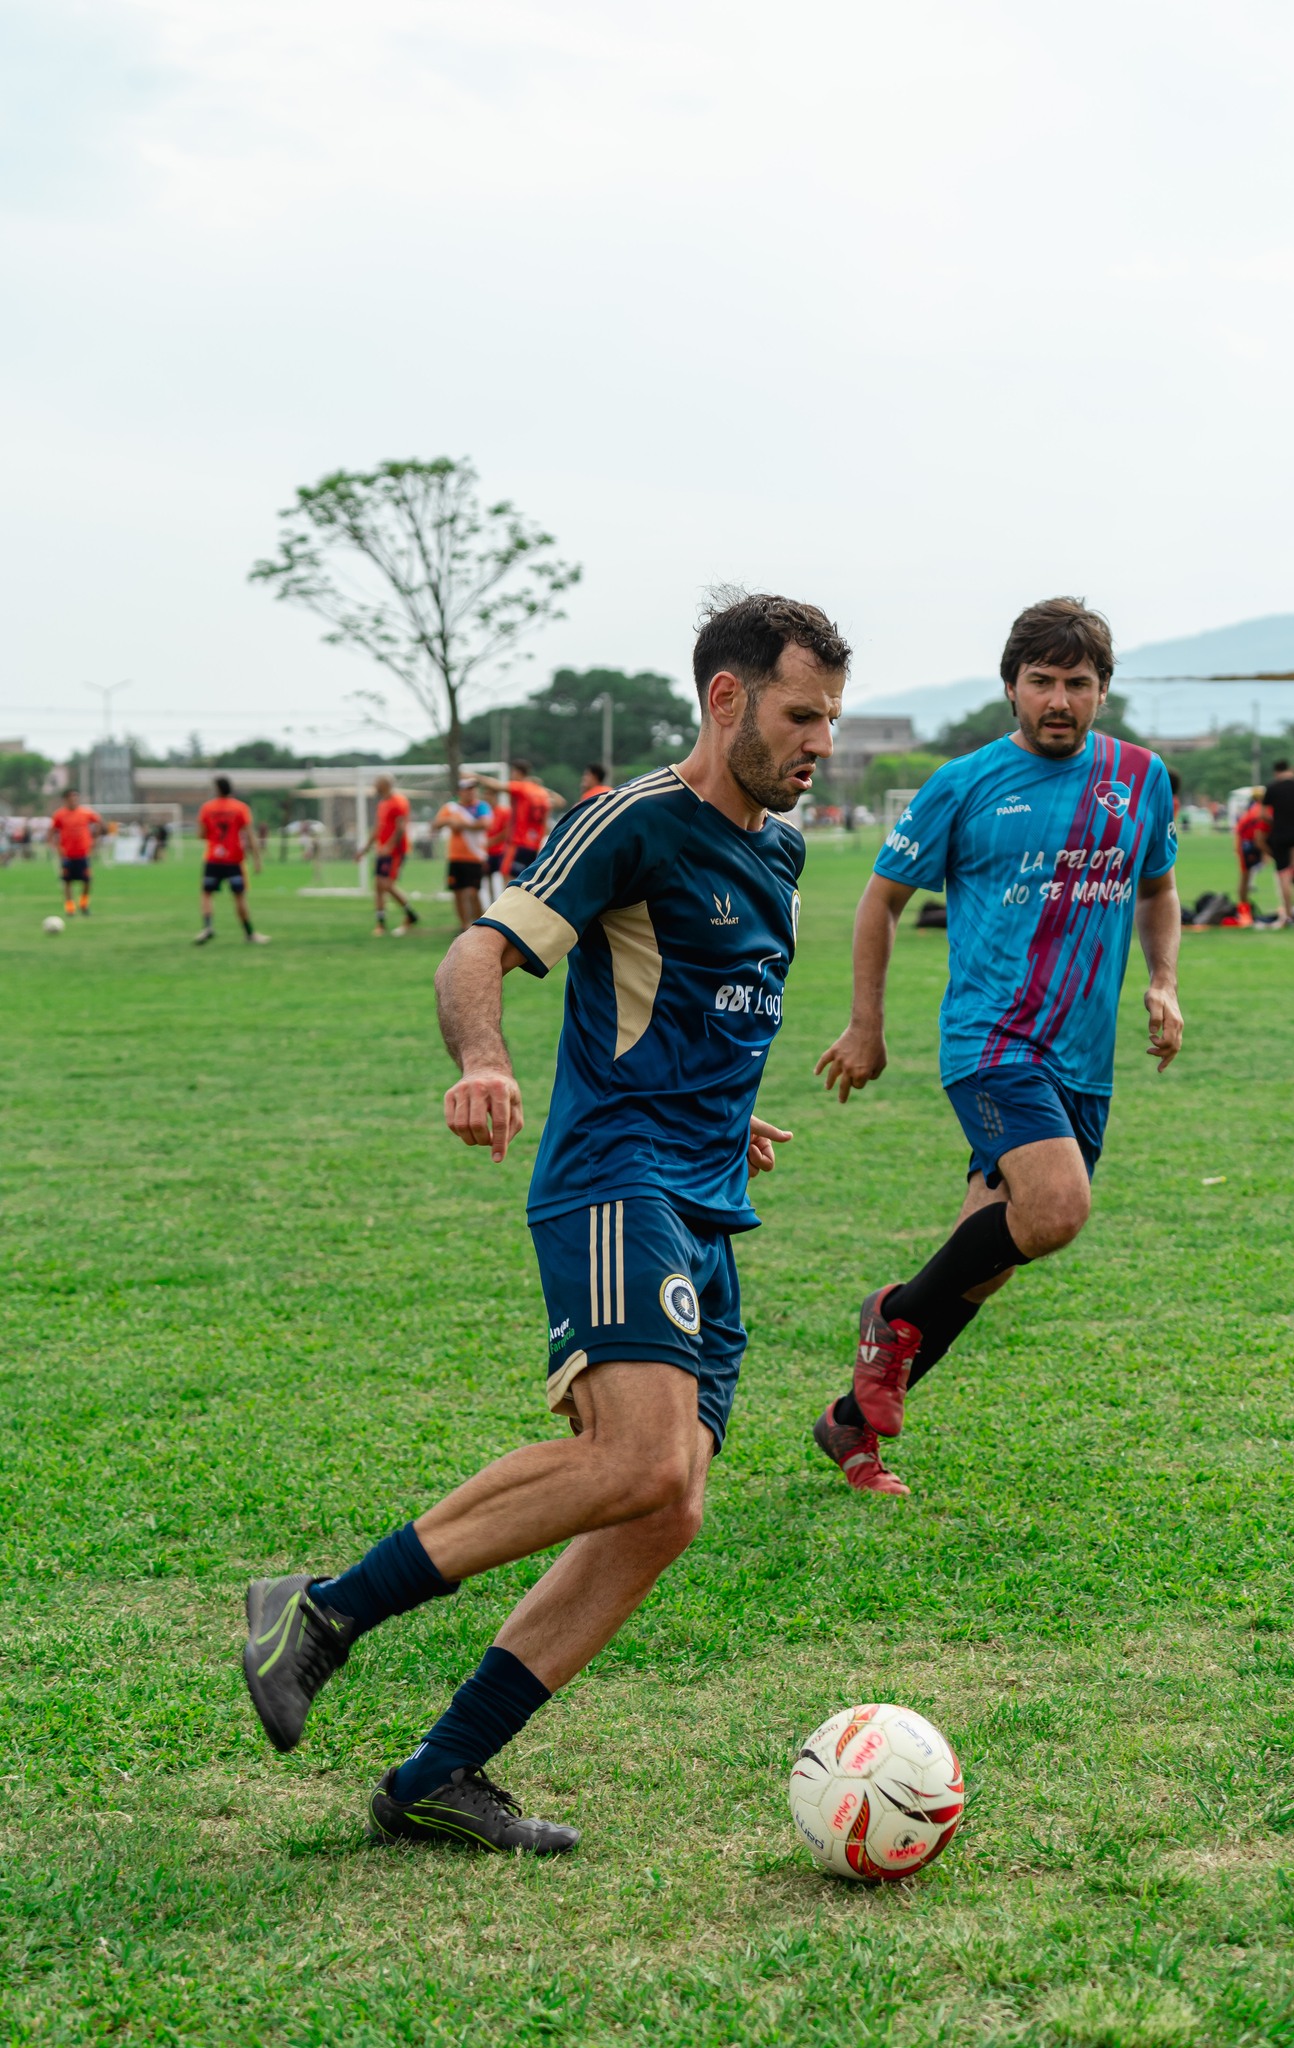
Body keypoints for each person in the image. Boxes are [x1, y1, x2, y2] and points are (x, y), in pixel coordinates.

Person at [240, 590, 847, 1853]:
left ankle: (437, 1773)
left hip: (705, 1206)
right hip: (616, 1181)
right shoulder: (630, 821)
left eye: (831, 718)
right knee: (639, 1461)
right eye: (800, 714)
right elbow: (477, 950)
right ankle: (322, 1609)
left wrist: (730, 1111)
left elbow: (696, 1006)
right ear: (725, 697)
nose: (819, 742)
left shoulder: (783, 853)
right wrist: (484, 1058)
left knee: (666, 1504)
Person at [812, 596, 1183, 1497]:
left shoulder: (1139, 777)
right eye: (1041, 681)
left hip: (1082, 1057)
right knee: (1055, 1210)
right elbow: (880, 903)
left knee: (979, 1269)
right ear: (1010, 686)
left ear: (1102, 690)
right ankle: (889, 1315)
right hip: (993, 1040)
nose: (1058, 700)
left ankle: (850, 1423)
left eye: (1077, 683)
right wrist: (866, 1024)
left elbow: (1157, 888)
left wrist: (1163, 981)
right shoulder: (963, 783)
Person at [194, 775, 269, 945]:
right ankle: (250, 934)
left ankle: (207, 927)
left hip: (213, 858)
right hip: (234, 859)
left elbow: (200, 834)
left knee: (207, 894)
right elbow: (250, 836)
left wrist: (213, 835)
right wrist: (257, 860)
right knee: (239, 896)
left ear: (217, 789)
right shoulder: (240, 808)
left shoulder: (207, 808)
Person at [478, 761, 564, 881]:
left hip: (518, 843)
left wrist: (476, 777)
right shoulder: (542, 794)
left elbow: (497, 786)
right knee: (525, 881)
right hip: (534, 846)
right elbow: (561, 802)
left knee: (508, 880)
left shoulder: (522, 788)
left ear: (517, 773)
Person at [1259, 759, 1294, 927]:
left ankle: (1289, 913)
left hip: (1280, 835)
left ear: (1276, 772)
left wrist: (1276, 821)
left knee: (1283, 873)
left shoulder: (1272, 788)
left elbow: (1263, 814)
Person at [433, 777, 493, 931]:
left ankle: (479, 924)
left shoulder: (481, 806)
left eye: (473, 789)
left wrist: (462, 824)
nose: (471, 792)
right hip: (455, 856)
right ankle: (464, 925)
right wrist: (449, 821)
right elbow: (436, 824)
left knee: (473, 892)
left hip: (475, 856)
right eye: (468, 789)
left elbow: (485, 824)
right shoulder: (451, 808)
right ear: (460, 792)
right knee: (458, 892)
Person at [363, 774, 419, 937]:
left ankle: (410, 914)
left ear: (385, 784)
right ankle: (380, 923)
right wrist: (365, 848)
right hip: (382, 851)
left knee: (386, 885)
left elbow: (401, 828)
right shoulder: (382, 803)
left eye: (377, 783)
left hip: (395, 852)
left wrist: (389, 846)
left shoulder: (398, 801)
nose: (374, 786)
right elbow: (378, 828)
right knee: (378, 885)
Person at [48, 791, 104, 915]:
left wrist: (95, 839)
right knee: (67, 881)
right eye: (71, 798)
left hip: (83, 853)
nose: (74, 801)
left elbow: (99, 822)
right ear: (65, 800)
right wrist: (54, 845)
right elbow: (52, 831)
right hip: (67, 854)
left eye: (76, 798)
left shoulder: (86, 813)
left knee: (87, 880)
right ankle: (70, 907)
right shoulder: (59, 814)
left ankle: (84, 904)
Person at [1235, 787, 1270, 916]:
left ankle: (1244, 909)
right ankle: (1244, 910)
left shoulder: (1254, 808)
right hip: (1248, 844)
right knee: (1245, 878)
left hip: (1245, 843)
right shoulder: (1260, 810)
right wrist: (1268, 851)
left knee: (1245, 877)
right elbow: (1258, 835)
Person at [482, 797, 511, 902]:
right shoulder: (484, 812)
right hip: (487, 852)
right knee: (487, 879)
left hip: (501, 851)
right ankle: (491, 902)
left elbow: (507, 831)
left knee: (505, 878)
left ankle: (505, 902)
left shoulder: (503, 812)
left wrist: (492, 841)